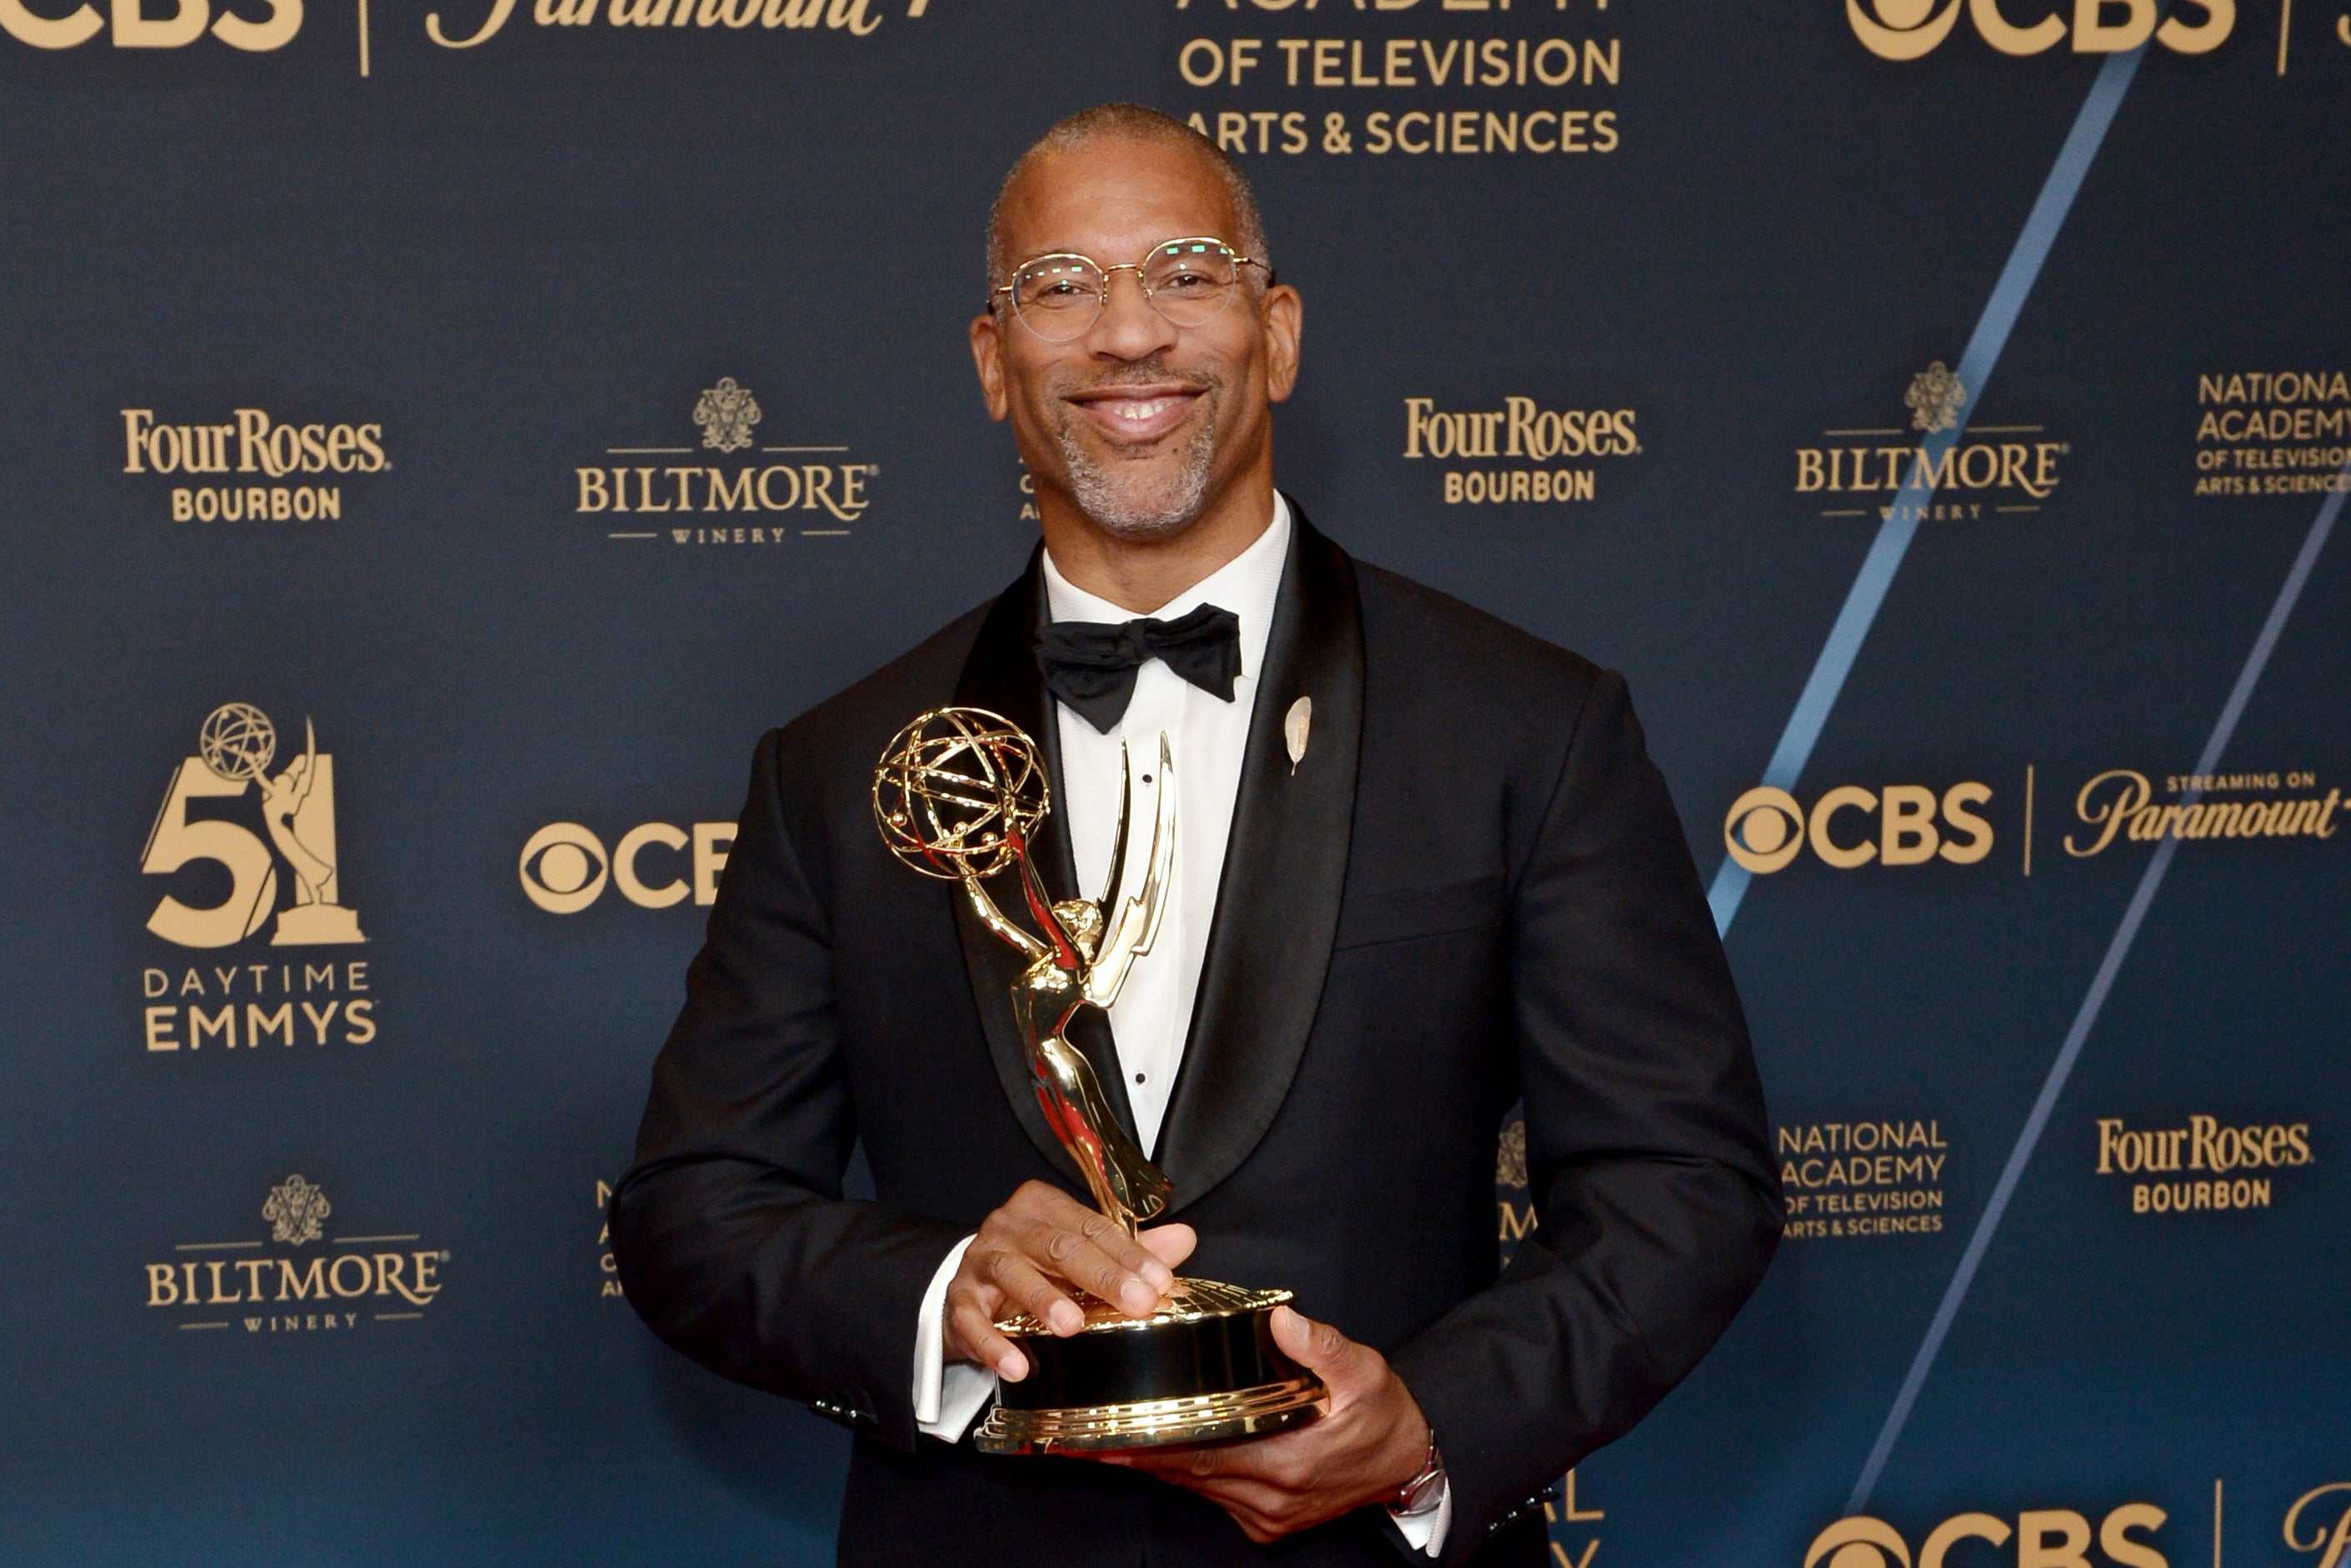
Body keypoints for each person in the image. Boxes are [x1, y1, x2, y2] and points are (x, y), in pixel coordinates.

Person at [610, 102, 1780, 1568]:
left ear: (1275, 331)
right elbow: (689, 1210)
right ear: (991, 361)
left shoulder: (1525, 725)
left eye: (1182, 271)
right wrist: (940, 1288)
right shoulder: (840, 765)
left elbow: (1683, 1184)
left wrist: (1428, 1420)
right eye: (1061, 286)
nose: (1124, 335)